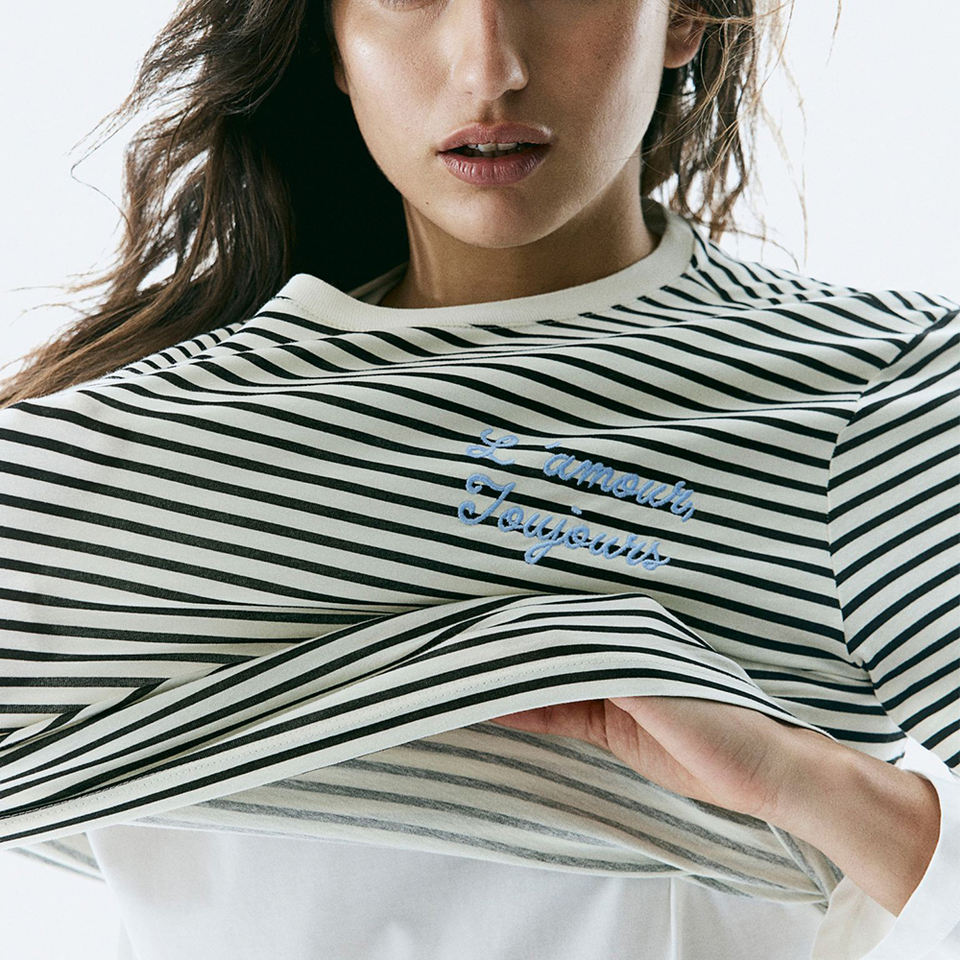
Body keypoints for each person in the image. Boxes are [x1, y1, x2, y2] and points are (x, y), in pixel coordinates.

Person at [0, 1, 957, 959]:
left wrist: (808, 787)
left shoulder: (880, 394)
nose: (489, 69)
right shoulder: (112, 471)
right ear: (332, 41)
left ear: (682, 18)